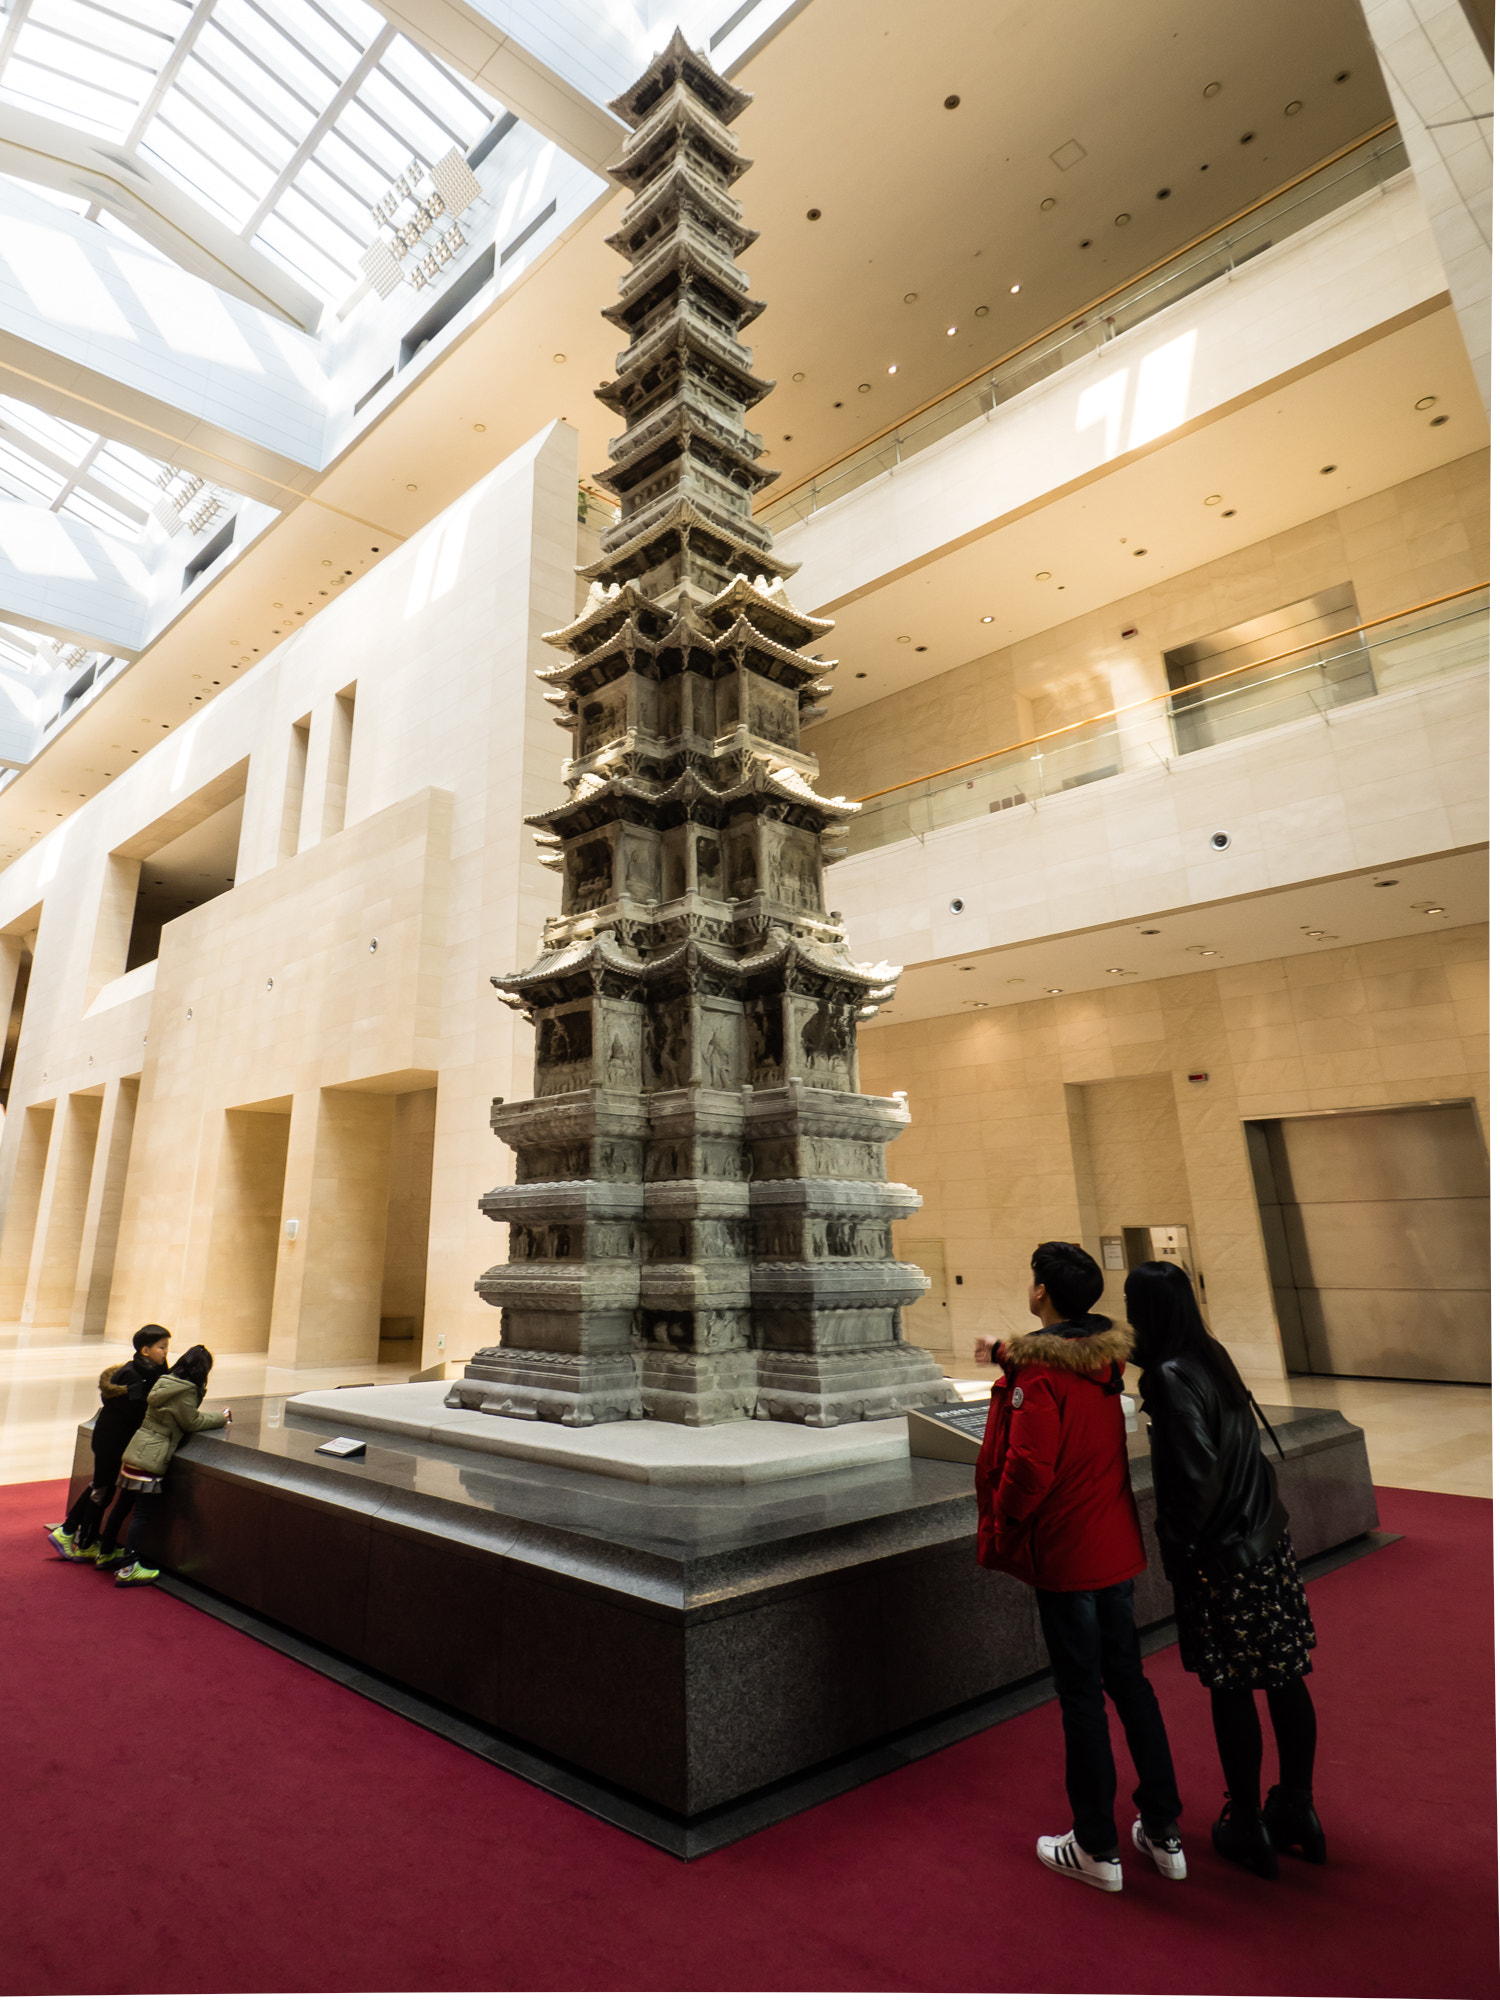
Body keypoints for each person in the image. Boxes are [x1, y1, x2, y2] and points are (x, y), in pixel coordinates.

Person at [976, 1241, 1184, 1892]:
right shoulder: (1103, 1359)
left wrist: (1003, 1524)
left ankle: (1096, 1844)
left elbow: (1030, 1466)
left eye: (1032, 1281)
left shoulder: (1040, 1376)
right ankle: (1164, 1830)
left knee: (1081, 1696)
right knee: (1129, 1681)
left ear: (1042, 1292)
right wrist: (1005, 1352)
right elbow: (1061, 1359)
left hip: (1066, 1552)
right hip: (1113, 1543)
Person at [1125, 1260, 1322, 1879]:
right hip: (1266, 1539)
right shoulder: (1211, 1354)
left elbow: (1195, 1479)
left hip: (1224, 1555)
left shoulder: (1169, 1375)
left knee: (1232, 1687)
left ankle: (1245, 1822)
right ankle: (1297, 1808)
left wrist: (1185, 1558)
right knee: (1286, 1677)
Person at [104, 1345, 230, 1589]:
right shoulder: (188, 1390)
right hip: (154, 1455)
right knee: (141, 1513)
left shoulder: (165, 1381)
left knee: (122, 1505)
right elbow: (190, 1421)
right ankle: (129, 1567)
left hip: (136, 1449)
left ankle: (106, 1552)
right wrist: (221, 1417)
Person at [47, 1325, 172, 1566]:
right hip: (111, 1441)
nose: (165, 1352)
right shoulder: (133, 1375)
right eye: (162, 1347)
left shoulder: (147, 1371)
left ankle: (76, 1534)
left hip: (115, 1439)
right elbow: (134, 1410)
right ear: (145, 1350)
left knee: (101, 1487)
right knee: (103, 1490)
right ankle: (78, 1539)